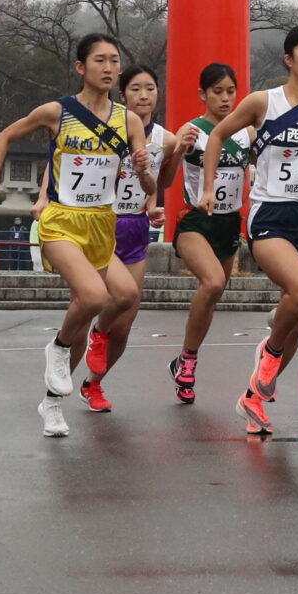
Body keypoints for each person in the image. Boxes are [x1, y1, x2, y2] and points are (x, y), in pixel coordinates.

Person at [187, 23, 298, 437]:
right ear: (289, 59)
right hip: (270, 214)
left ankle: (253, 397)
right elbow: (217, 135)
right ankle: (268, 360)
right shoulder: (261, 102)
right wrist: (211, 187)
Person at [0, 33, 143, 437]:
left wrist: (144, 168)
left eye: (114, 62)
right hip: (60, 221)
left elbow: (148, 183)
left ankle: (51, 403)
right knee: (93, 296)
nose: (109, 69)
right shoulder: (58, 111)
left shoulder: (129, 120)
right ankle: (58, 347)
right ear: (81, 67)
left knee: (123, 295)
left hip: (101, 223)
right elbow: (5, 136)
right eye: (100, 61)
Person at [82, 65, 170, 411]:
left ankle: (93, 384)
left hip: (136, 228)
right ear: (123, 96)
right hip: (103, 223)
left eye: (150, 88)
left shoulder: (167, 138)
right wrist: (46, 197)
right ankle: (64, 373)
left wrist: (154, 206)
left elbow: (161, 181)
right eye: (135, 89)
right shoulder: (105, 129)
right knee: (102, 303)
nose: (144, 95)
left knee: (125, 323)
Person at [163, 61, 250, 404]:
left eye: (231, 91)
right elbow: (167, 180)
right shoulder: (192, 130)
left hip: (229, 224)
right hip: (195, 222)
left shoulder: (246, 131)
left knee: (214, 294)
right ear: (203, 94)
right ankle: (188, 360)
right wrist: (178, 151)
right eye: (218, 92)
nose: (226, 99)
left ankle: (185, 357)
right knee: (212, 282)